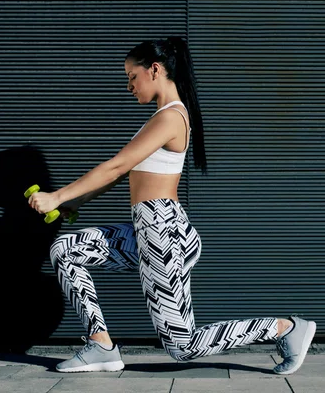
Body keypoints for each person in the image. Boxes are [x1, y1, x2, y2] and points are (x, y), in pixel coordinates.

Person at [27, 37, 316, 375]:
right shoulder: (160, 118)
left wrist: (57, 196)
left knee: (182, 347)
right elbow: (121, 177)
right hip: (148, 229)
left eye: (132, 76)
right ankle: (101, 345)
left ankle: (286, 328)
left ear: (155, 69)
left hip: (163, 232)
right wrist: (74, 202)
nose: (129, 86)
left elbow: (116, 166)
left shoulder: (171, 117)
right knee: (66, 249)